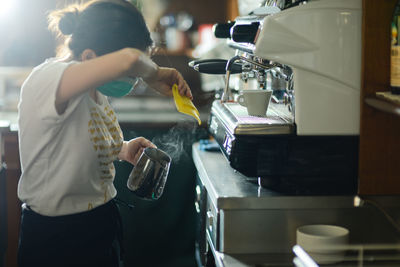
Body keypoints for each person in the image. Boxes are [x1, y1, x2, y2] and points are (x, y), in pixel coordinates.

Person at [16, 0, 193, 266]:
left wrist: (121, 148)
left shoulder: (96, 90)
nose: (134, 80)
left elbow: (76, 139)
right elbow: (129, 60)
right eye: (133, 74)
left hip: (100, 223)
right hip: (58, 238)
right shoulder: (49, 79)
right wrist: (153, 73)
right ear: (89, 58)